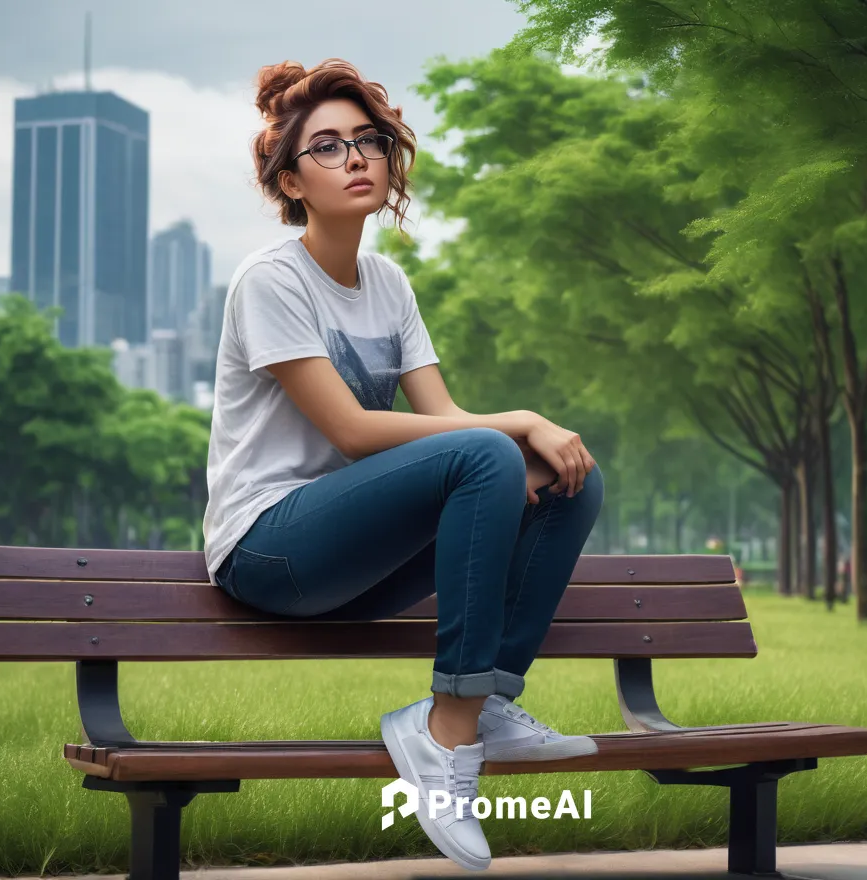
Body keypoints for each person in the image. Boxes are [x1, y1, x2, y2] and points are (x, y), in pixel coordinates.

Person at [202, 58, 604, 872]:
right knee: (500, 446)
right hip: (271, 549)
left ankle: (483, 703)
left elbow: (444, 421)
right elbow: (352, 432)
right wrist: (520, 417)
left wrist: (532, 436)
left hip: (354, 555)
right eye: (325, 147)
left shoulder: (388, 284)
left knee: (564, 476)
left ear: (389, 158)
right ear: (290, 179)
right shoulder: (270, 279)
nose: (354, 157)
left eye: (367, 140)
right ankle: (443, 732)